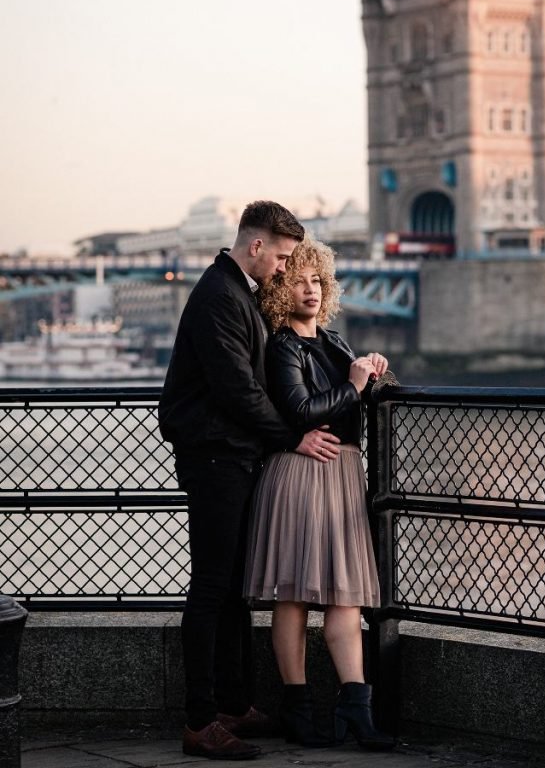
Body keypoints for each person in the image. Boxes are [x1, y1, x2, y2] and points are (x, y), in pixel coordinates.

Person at [159, 201, 338, 761]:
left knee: (234, 586)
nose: (285, 270)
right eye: (282, 258)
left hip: (233, 454)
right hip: (215, 456)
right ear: (255, 246)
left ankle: (234, 705)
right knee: (212, 587)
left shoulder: (235, 292)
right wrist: (293, 436)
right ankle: (199, 721)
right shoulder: (219, 296)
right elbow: (238, 389)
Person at [243, 237, 394, 751]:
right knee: (295, 594)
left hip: (343, 475)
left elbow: (349, 409)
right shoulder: (283, 345)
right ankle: (298, 706)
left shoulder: (335, 342)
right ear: (282, 289)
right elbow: (300, 410)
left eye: (318, 281)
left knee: (345, 591)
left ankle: (356, 706)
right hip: (303, 475)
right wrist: (352, 386)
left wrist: (371, 378)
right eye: (299, 280)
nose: (311, 289)